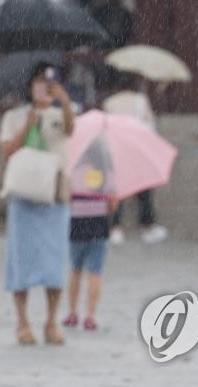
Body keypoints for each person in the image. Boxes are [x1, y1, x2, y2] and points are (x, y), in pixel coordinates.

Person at [0, 63, 75, 346]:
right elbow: (6, 151)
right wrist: (27, 127)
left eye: (50, 82)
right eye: (40, 82)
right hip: (25, 195)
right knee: (22, 260)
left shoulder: (60, 114)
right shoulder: (14, 116)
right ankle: (22, 321)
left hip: (53, 195)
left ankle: (51, 321)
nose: (45, 87)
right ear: (29, 86)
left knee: (54, 261)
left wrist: (63, 101)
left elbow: (70, 129)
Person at [102, 73, 166, 245]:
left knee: (118, 190)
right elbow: (150, 122)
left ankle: (115, 227)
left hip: (117, 149)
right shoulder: (141, 100)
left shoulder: (110, 102)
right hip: (137, 149)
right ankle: (147, 224)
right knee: (143, 188)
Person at [63, 141, 117, 332]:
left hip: (77, 224)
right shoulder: (105, 173)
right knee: (95, 271)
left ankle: (72, 312)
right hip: (99, 224)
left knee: (75, 270)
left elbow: (66, 198)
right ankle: (90, 316)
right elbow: (112, 205)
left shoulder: (73, 172)